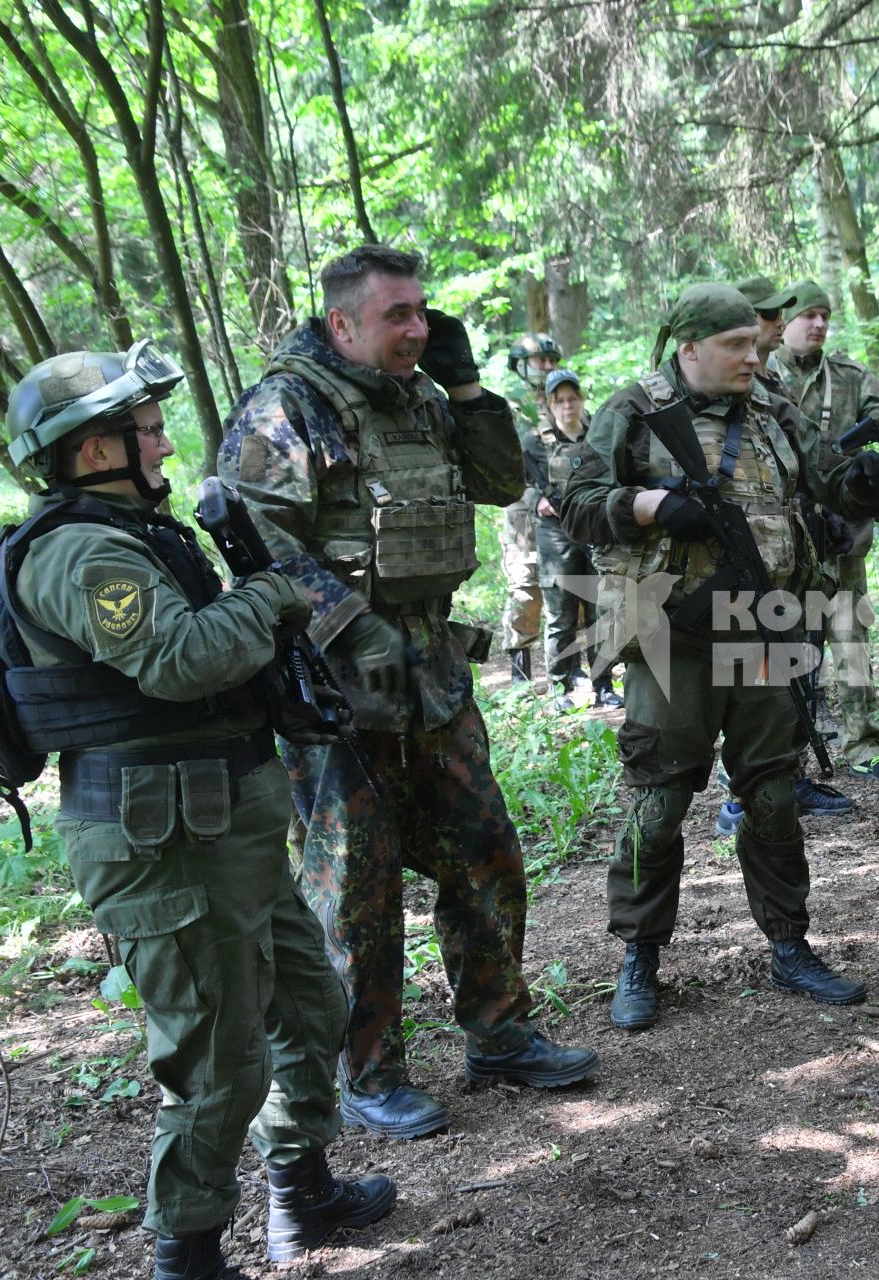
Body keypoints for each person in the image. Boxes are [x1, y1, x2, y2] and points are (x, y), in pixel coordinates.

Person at [0, 342, 394, 1278]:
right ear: (96, 451)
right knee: (217, 1061)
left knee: (309, 1002)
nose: (165, 446)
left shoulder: (137, 532)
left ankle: (303, 1194)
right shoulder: (81, 551)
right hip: (161, 834)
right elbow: (180, 662)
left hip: (223, 819)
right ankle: (189, 1254)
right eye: (145, 430)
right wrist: (270, 592)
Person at [220, 244, 598, 1141]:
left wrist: (467, 390)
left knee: (487, 854)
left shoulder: (424, 400)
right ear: (342, 323)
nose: (419, 329)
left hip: (430, 673)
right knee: (358, 885)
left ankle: (499, 1033)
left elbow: (507, 481)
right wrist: (349, 624)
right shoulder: (287, 406)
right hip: (334, 689)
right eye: (399, 316)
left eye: (423, 313)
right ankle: (368, 1070)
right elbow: (255, 539)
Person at [559, 283, 879, 1033]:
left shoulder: (773, 408)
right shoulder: (634, 410)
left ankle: (788, 943)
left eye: (757, 341)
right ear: (689, 349)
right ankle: (640, 955)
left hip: (760, 627)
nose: (756, 354)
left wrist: (866, 483)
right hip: (669, 634)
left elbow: (828, 480)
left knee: (773, 794)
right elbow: (577, 500)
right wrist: (648, 506)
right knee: (660, 800)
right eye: (737, 345)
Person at [713, 273, 856, 832]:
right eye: (768, 316)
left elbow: (807, 471)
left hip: (793, 558)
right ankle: (741, 797)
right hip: (743, 571)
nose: (776, 325)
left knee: (795, 667)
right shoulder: (731, 391)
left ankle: (785, 779)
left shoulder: (771, 390)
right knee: (754, 677)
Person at [769, 282, 879, 778]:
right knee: (787, 642)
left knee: (851, 638)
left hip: (843, 536)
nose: (819, 324)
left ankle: (863, 744)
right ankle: (787, 752)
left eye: (825, 315)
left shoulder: (848, 375)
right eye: (808, 315)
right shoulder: (760, 376)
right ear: (783, 322)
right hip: (783, 539)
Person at [529, 368, 605, 711]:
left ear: (581, 399)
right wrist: (537, 499)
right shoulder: (534, 441)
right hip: (555, 534)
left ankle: (603, 685)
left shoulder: (598, 434)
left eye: (572, 397)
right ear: (549, 404)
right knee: (561, 614)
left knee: (599, 614)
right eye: (559, 400)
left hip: (594, 530)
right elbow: (514, 479)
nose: (567, 405)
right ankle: (559, 689)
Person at [497, 332, 557, 693]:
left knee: (567, 586)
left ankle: (567, 675)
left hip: (562, 506)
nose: (548, 367)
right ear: (521, 365)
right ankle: (521, 678)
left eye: (552, 361)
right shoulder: (508, 407)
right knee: (524, 585)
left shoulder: (563, 398)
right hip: (522, 507)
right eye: (540, 361)